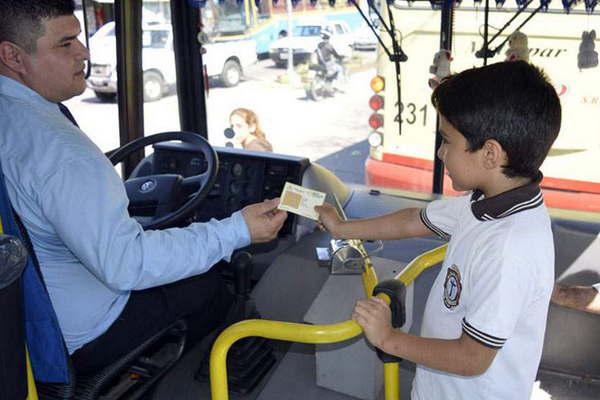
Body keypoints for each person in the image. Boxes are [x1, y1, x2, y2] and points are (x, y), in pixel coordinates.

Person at [0, 1, 287, 375]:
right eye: (65, 44)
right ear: (13, 56)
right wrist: (238, 229)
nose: (84, 52)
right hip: (85, 334)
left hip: (25, 323)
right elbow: (125, 265)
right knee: (209, 284)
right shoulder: (62, 153)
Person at [316, 60, 561, 399]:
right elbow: (413, 219)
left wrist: (388, 339)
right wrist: (342, 226)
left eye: (447, 141)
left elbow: (472, 357)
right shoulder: (485, 201)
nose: (440, 152)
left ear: (490, 153)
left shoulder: (510, 245)